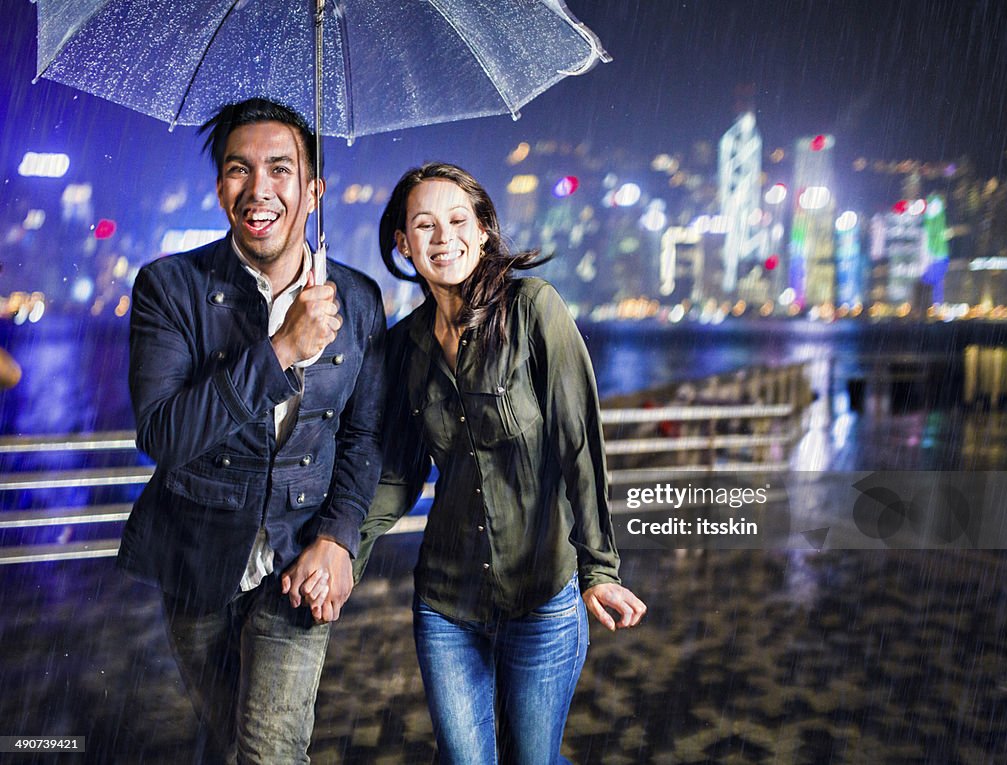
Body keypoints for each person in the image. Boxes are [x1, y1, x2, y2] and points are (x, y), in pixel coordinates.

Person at [117, 98, 386, 764]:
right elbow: (163, 434)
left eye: (281, 168)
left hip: (299, 560)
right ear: (219, 188)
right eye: (240, 169)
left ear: (314, 189)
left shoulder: (357, 299)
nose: (259, 188)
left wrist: (339, 537)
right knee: (227, 737)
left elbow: (365, 436)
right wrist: (281, 349)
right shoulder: (169, 287)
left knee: (269, 752)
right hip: (199, 556)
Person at [353, 162, 646, 764]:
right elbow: (398, 475)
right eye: (424, 226)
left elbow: (579, 446)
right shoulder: (402, 347)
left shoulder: (535, 309)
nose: (443, 238)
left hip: (542, 596)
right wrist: (340, 552)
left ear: (484, 229)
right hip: (446, 602)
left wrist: (600, 568)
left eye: (459, 220)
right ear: (402, 243)